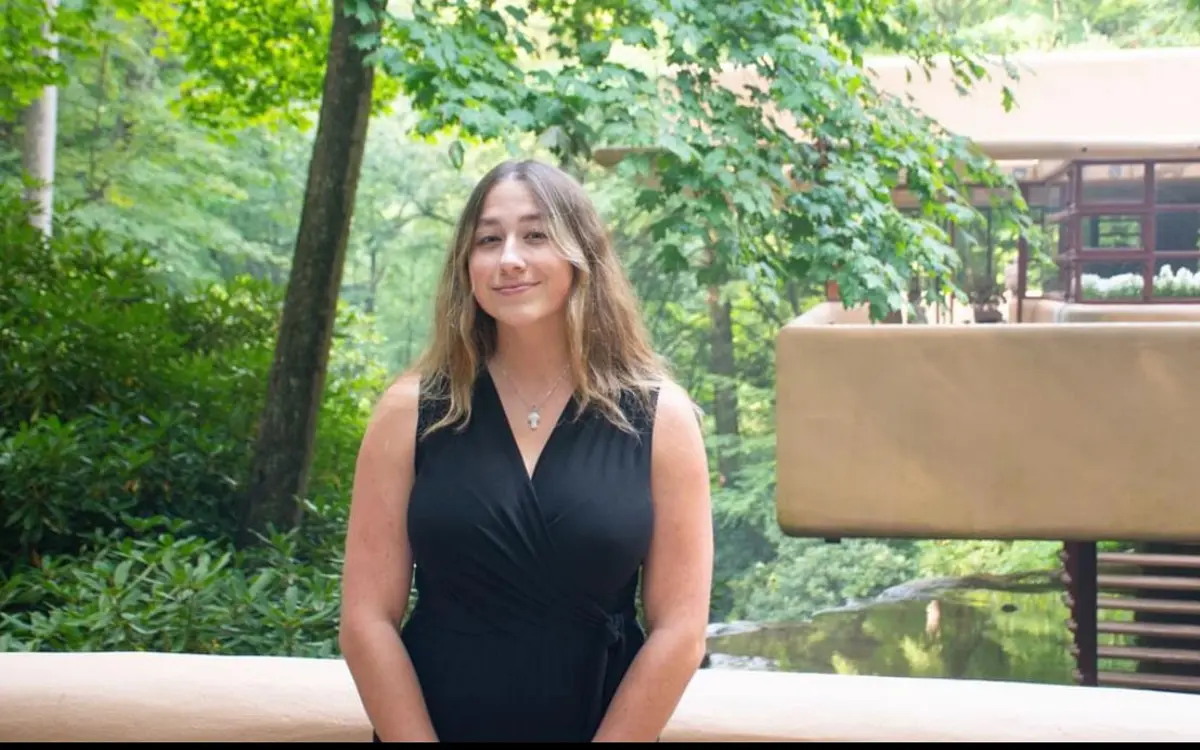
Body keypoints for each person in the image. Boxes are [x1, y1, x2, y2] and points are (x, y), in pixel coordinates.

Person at [338, 159, 714, 742]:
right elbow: (366, 621)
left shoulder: (661, 419)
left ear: (581, 253)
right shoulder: (409, 411)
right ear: (467, 265)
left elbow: (682, 630)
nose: (509, 258)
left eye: (536, 235)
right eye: (489, 239)